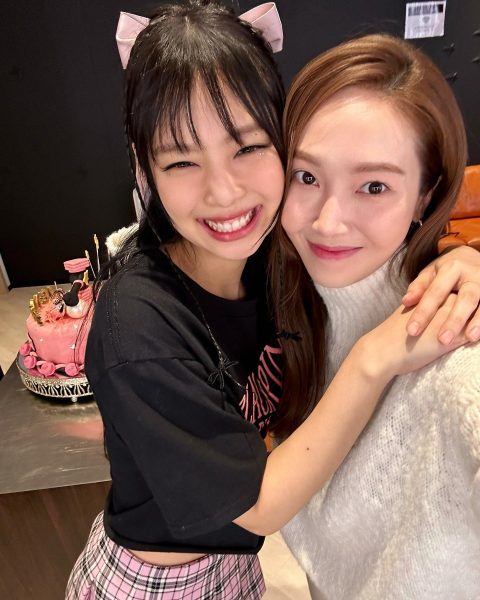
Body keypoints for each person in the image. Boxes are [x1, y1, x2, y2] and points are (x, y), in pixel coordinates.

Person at [65, 3, 480, 598]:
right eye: (181, 161)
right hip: (155, 580)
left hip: (236, 563)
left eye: (248, 148)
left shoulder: (274, 258)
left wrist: (464, 260)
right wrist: (373, 359)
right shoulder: (138, 324)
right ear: (144, 168)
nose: (224, 192)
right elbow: (259, 507)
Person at [273, 33, 480, 599]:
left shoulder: (455, 346)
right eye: (306, 176)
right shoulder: (284, 299)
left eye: (373, 186)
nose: (328, 221)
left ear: (425, 197)